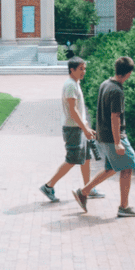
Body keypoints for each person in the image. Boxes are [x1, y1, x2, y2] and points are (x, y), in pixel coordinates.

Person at [73, 55, 135, 218]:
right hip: (114, 137)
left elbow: (100, 111)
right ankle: (124, 207)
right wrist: (118, 142)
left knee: (111, 168)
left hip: (104, 136)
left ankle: (83, 192)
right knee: (128, 166)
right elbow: (115, 117)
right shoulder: (116, 91)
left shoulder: (105, 84)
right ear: (128, 73)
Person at [39, 57, 103, 202]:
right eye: (81, 69)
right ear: (72, 70)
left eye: (84, 69)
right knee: (72, 160)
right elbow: (73, 111)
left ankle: (88, 188)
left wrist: (86, 127)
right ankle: (48, 186)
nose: (83, 72)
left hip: (78, 127)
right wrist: (84, 129)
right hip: (73, 129)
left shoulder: (75, 83)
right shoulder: (70, 85)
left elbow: (77, 110)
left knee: (86, 158)